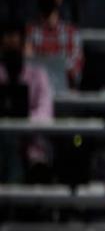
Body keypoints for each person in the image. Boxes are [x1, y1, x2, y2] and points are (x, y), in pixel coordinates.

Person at [0, 20, 53, 183]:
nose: (12, 54)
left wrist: (22, 122)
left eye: (15, 49)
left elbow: (45, 113)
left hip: (33, 146)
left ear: (24, 47)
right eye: (8, 50)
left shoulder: (39, 75)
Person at [26, 0, 84, 91]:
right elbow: (25, 73)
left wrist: (39, 60)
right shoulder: (28, 33)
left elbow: (75, 74)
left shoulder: (72, 34)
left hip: (63, 100)